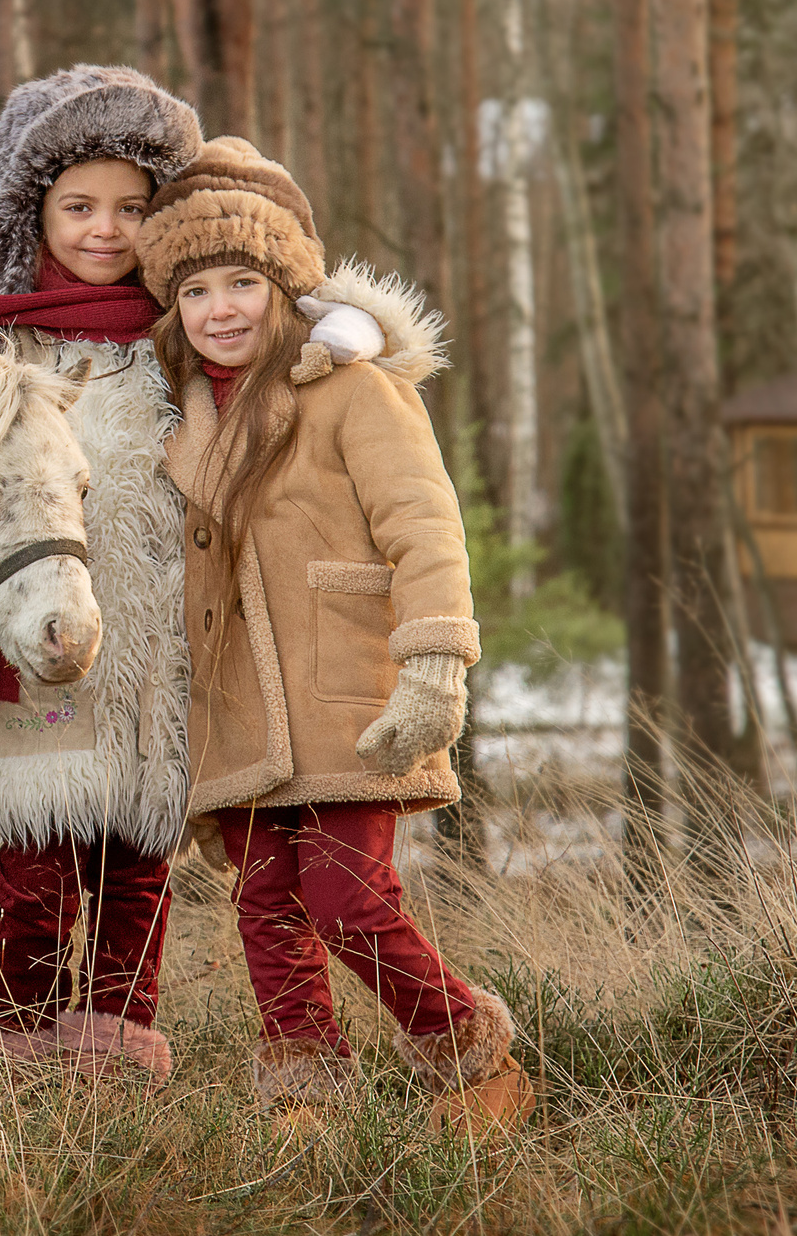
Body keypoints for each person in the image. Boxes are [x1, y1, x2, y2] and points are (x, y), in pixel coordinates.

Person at [0, 70, 380, 1084]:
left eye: (131, 208)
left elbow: (281, 308)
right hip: (37, 631)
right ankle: (19, 1023)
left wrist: (346, 330)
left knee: (135, 857)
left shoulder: (180, 326)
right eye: (78, 206)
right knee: (39, 851)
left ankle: (118, 1033)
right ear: (33, 208)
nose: (104, 230)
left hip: (164, 634)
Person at [130, 135, 536, 1132]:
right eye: (194, 291)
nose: (219, 308)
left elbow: (423, 524)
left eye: (240, 280)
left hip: (347, 689)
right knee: (267, 912)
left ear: (283, 283)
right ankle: (305, 1095)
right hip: (237, 710)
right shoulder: (173, 418)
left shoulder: (352, 386)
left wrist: (434, 658)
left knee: (347, 901)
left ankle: (470, 1052)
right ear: (172, 307)